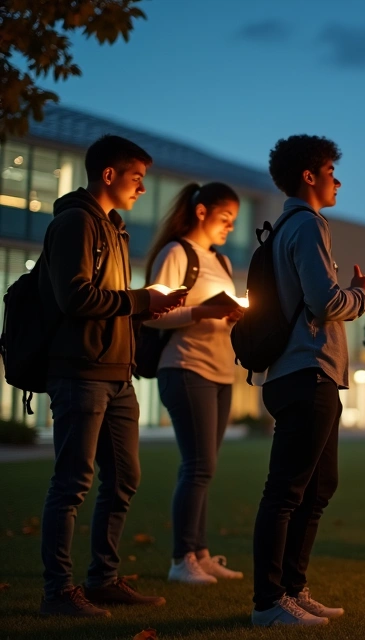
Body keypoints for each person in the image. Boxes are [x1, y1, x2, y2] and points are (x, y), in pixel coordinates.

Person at [39, 135, 185, 617]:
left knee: (124, 478)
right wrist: (142, 299)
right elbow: (75, 298)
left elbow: (111, 303)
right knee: (72, 483)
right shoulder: (77, 222)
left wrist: (147, 306)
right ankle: (58, 591)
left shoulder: (114, 229)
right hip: (81, 372)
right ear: (108, 175)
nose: (142, 188)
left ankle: (102, 580)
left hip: (118, 374)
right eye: (136, 178)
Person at [251, 135, 365, 627]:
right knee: (287, 491)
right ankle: (268, 602)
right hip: (307, 371)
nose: (337, 181)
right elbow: (325, 301)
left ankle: (293, 590)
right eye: (331, 172)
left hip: (299, 372)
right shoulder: (308, 225)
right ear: (309, 176)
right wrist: (360, 296)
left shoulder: (285, 227)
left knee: (319, 487)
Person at [144, 182, 247, 585]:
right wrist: (202, 311)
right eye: (225, 218)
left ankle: (201, 554)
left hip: (221, 371)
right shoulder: (176, 253)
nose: (230, 227)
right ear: (201, 211)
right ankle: (182, 558)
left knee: (206, 467)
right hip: (186, 367)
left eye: (234, 221)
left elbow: (217, 314)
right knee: (198, 465)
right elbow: (152, 314)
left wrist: (230, 315)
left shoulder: (221, 261)